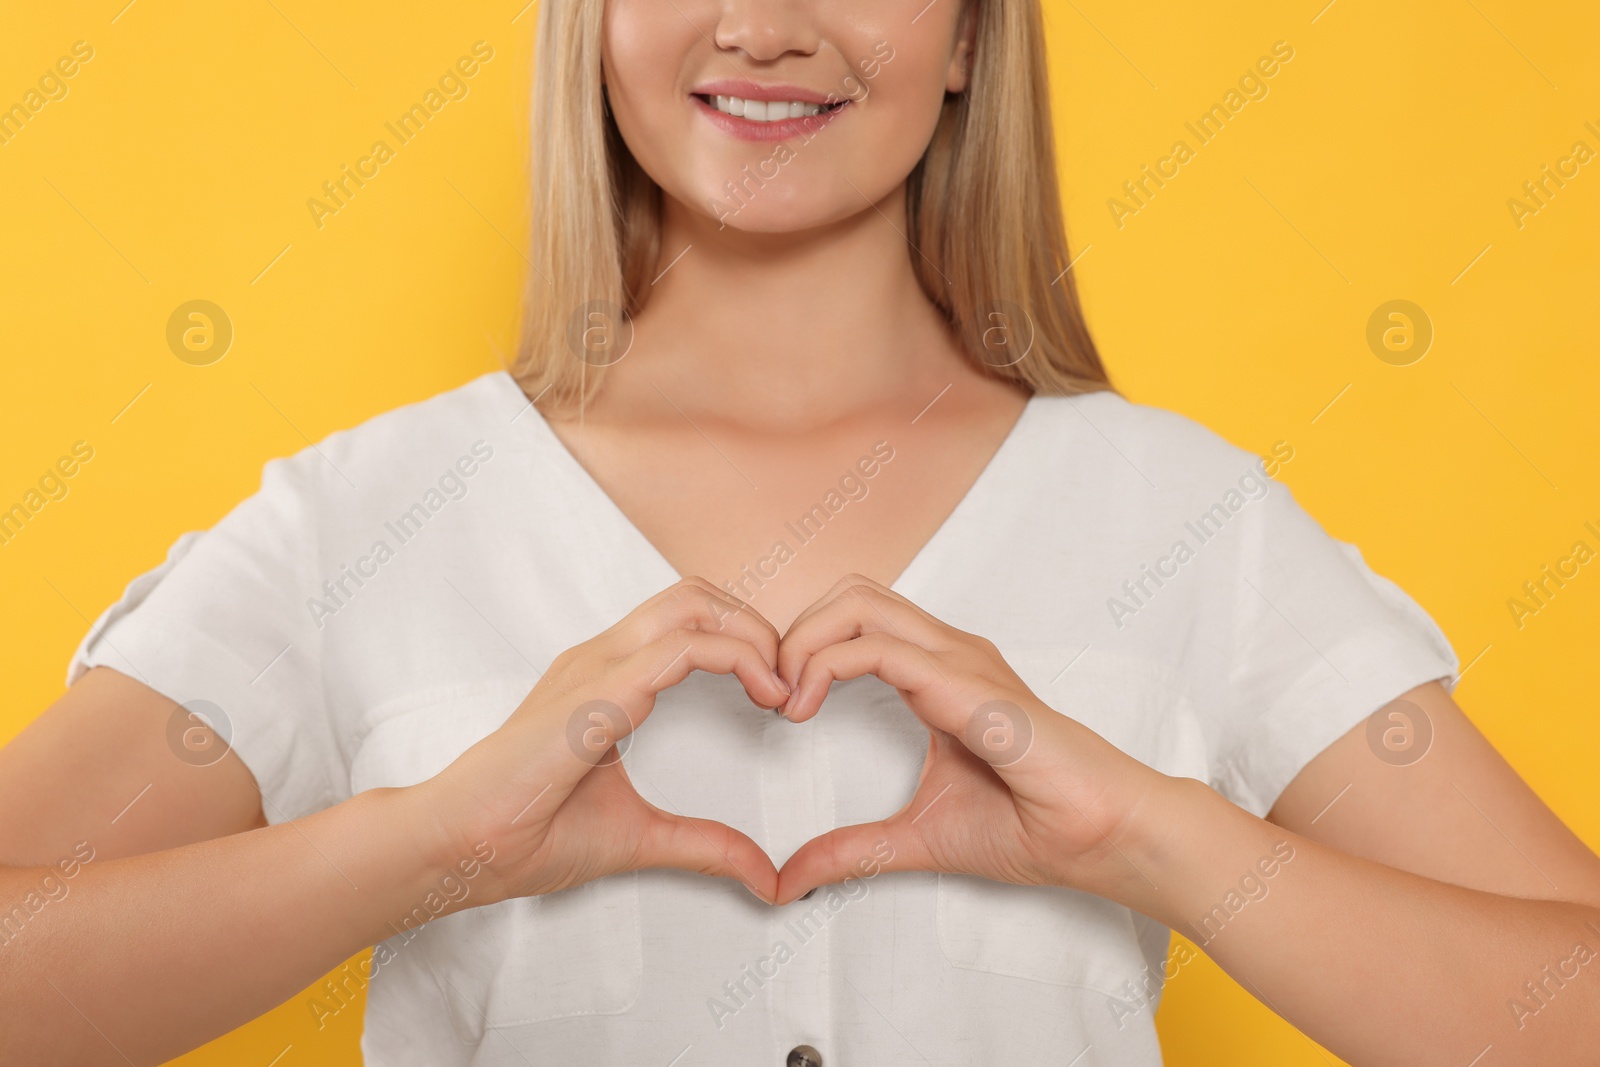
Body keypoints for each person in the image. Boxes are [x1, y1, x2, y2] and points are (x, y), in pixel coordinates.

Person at [3, 1, 1598, 1064]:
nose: (763, 23)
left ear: (975, 32)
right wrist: (430, 848)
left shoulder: (1181, 517)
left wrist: (1147, 835)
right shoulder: (362, 519)